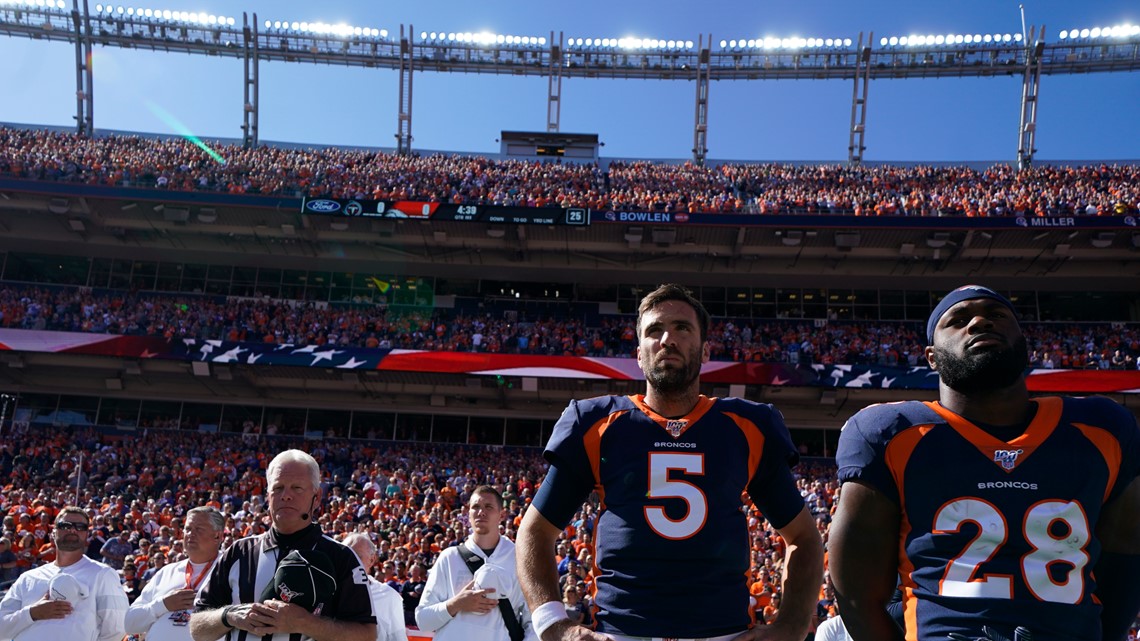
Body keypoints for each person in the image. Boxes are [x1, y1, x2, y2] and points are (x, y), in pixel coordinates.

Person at [830, 285, 1140, 641]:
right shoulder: (889, 432)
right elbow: (856, 594)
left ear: (1025, 342)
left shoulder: (1102, 426)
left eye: (995, 315)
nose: (979, 322)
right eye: (958, 320)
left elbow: (1126, 559)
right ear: (931, 357)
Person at [517, 283, 823, 641]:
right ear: (639, 353)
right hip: (621, 632)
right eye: (654, 330)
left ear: (705, 349)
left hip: (722, 633)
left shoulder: (747, 426)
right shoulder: (597, 424)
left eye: (682, 328)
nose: (667, 339)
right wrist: (553, 624)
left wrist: (791, 625)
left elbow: (803, 536)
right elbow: (535, 531)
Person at [189, 449, 376, 641]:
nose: (286, 496)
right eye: (278, 488)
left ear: (317, 497)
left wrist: (304, 623)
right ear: (268, 497)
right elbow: (196, 627)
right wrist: (228, 616)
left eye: (297, 488)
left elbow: (367, 634)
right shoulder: (239, 552)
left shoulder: (341, 557)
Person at [416, 485, 537, 641]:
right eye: (476, 507)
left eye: (488, 507)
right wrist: (456, 604)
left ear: (501, 515)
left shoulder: (519, 560)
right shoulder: (449, 557)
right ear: (468, 514)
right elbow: (423, 620)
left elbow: (533, 621)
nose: (481, 512)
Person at [0, 506, 129, 641]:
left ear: (86, 534)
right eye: (65, 525)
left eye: (80, 527)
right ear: (53, 532)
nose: (73, 530)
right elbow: (1, 629)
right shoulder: (27, 578)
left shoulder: (103, 575)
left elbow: (117, 630)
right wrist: (32, 613)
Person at [125, 506, 225, 641]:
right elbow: (130, 624)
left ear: (218, 536)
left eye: (199, 529)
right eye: (188, 529)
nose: (190, 534)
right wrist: (163, 605)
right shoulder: (166, 572)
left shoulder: (231, 572)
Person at [343, 532, 409, 641]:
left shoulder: (389, 597)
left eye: (357, 556)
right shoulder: (326, 590)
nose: (349, 561)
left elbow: (398, 638)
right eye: (345, 554)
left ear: (372, 560)